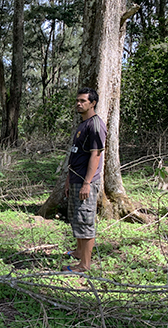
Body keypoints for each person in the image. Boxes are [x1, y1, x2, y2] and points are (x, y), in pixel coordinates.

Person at [63, 87, 107, 272]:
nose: (79, 104)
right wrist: (68, 179)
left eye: (83, 101)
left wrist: (87, 183)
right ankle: (79, 252)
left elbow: (95, 155)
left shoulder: (95, 125)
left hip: (85, 181)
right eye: (77, 101)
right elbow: (76, 154)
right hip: (75, 178)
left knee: (85, 221)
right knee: (77, 218)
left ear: (93, 103)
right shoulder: (83, 124)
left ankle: (84, 265)